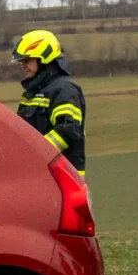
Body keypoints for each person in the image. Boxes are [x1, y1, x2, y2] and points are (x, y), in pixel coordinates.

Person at [12, 30, 86, 176]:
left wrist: (34, 153)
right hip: (40, 177)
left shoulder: (65, 90)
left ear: (43, 59)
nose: (23, 66)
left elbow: (67, 131)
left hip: (62, 179)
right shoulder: (34, 92)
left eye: (27, 60)